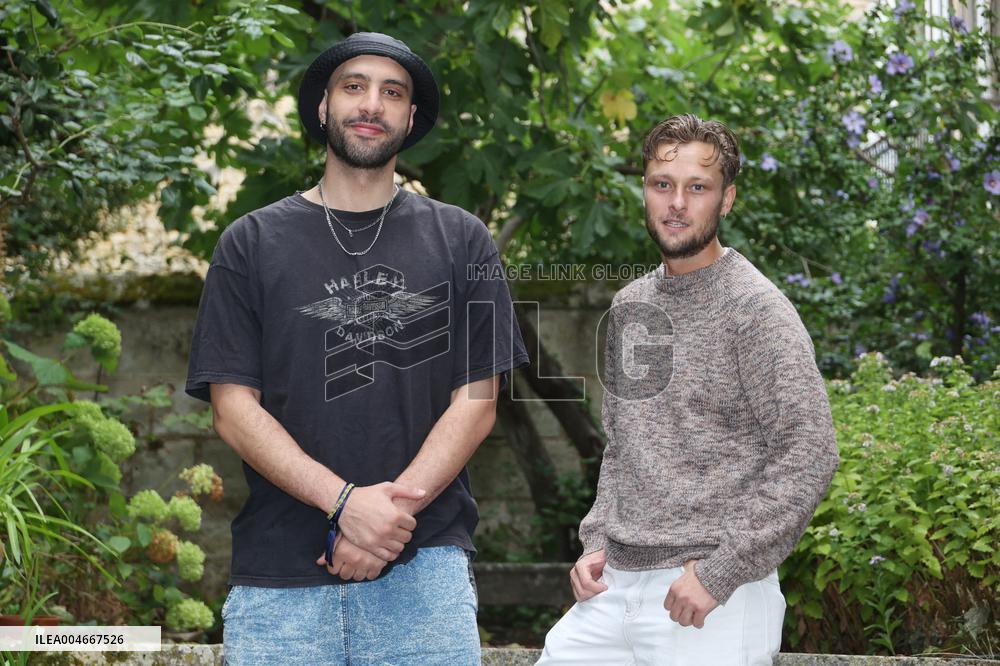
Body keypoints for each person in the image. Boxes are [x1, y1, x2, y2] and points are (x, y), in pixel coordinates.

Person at [186, 32, 528, 665]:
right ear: (323, 107)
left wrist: (384, 524)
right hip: (279, 585)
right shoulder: (249, 244)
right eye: (354, 87)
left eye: (392, 93)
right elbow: (232, 410)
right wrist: (345, 504)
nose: (372, 104)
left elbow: (478, 400)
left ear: (410, 118)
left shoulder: (464, 240)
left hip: (424, 576)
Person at [537, 114, 840, 665]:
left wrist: (720, 573)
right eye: (663, 184)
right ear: (645, 191)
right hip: (613, 588)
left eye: (697, 188)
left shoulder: (756, 310)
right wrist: (596, 541)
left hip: (710, 595)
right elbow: (625, 447)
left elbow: (810, 451)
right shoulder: (632, 306)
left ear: (726, 200)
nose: (676, 203)